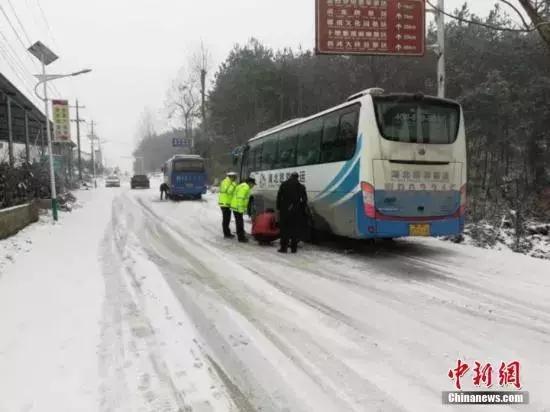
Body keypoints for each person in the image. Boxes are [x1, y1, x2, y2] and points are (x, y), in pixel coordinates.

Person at [276, 172, 308, 253]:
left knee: (284, 229)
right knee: (295, 230)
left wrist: (279, 208)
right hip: (296, 212)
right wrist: (301, 209)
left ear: (290, 177)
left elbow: (279, 197)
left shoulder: (284, 184)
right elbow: (304, 200)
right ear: (297, 178)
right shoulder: (301, 187)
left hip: (285, 210)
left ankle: (284, 248)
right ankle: (294, 248)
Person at [230, 177, 256, 243]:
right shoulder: (245, 187)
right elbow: (240, 198)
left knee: (239, 222)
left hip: (236, 206)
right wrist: (240, 209)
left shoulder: (242, 185)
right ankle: (241, 238)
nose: (253, 186)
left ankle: (241, 236)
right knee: (240, 223)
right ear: (250, 183)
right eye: (253, 184)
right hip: (237, 207)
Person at [218, 172, 238, 238]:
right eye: (234, 177)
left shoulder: (227, 181)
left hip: (226, 203)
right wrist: (234, 185)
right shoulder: (226, 182)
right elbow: (229, 191)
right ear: (231, 177)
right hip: (225, 203)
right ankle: (226, 234)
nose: (235, 178)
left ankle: (227, 233)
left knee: (227, 219)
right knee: (226, 219)